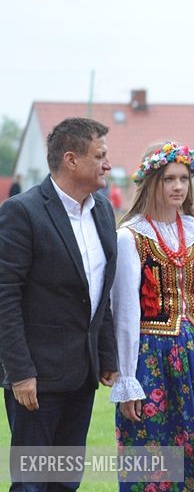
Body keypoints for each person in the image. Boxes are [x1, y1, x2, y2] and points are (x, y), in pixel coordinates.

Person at [110, 141, 194, 491]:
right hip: (151, 361)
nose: (178, 187)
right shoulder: (130, 237)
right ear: (152, 181)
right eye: (169, 178)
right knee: (153, 455)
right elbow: (124, 312)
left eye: (184, 178)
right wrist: (127, 380)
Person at [0, 117, 118, 490]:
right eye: (100, 156)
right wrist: (20, 372)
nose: (108, 165)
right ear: (71, 160)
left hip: (82, 373)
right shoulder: (22, 212)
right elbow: (5, 297)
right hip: (36, 378)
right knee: (31, 482)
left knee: (66, 480)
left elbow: (101, 289)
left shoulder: (102, 209)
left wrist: (107, 356)